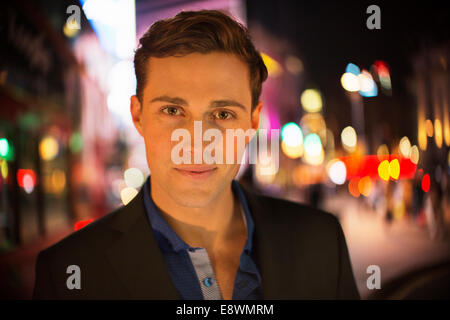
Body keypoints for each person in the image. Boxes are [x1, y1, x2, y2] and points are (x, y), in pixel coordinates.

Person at [33, 9, 359, 300]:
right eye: (173, 109)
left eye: (223, 114)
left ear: (253, 121)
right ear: (138, 115)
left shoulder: (322, 242)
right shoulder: (67, 272)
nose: (197, 141)